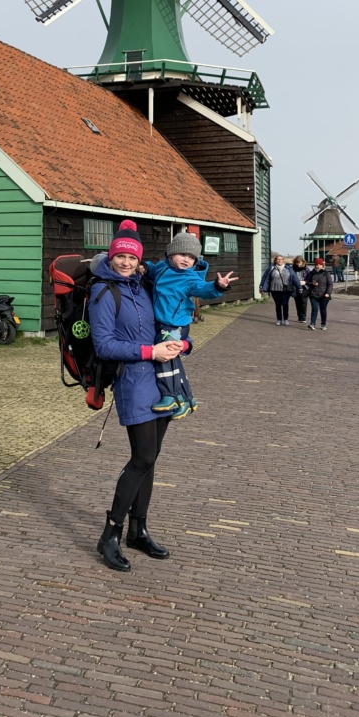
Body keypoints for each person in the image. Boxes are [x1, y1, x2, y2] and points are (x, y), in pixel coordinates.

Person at [86, 220, 184, 572]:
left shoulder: (142, 284)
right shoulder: (103, 292)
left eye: (131, 256)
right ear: (111, 257)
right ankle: (110, 533)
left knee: (151, 457)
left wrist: (178, 343)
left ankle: (138, 529)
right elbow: (105, 345)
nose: (126, 262)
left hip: (161, 380)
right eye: (120, 256)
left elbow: (168, 315)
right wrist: (150, 352)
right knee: (141, 457)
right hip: (132, 382)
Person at [143, 231, 236, 418]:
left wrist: (218, 286)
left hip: (175, 325)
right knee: (174, 358)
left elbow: (203, 289)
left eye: (192, 257)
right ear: (171, 254)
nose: (187, 260)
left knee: (163, 355)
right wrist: (143, 266)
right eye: (183, 254)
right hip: (163, 322)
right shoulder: (162, 268)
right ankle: (186, 399)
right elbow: (152, 270)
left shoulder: (190, 278)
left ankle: (169, 394)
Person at [259, 253, 301, 325]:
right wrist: (261, 286)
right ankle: (279, 319)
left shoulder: (288, 269)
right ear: (275, 261)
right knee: (278, 304)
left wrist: (299, 287)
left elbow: (295, 278)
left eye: (281, 259)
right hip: (274, 289)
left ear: (283, 260)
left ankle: (286, 319)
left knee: (285, 303)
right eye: (278, 259)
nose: (279, 260)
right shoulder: (271, 269)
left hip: (286, 290)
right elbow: (265, 277)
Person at [306, 257, 332, 330]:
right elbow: (308, 282)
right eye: (317, 264)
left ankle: (323, 324)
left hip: (324, 295)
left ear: (322, 265)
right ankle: (312, 324)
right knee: (314, 309)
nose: (318, 266)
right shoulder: (311, 273)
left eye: (320, 265)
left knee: (323, 310)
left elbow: (330, 284)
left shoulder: (326, 273)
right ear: (315, 265)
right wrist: (312, 283)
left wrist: (328, 293)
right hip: (313, 294)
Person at [291, 255, 310, 322]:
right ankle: (299, 316)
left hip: (304, 287)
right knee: (297, 302)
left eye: (299, 262)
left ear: (302, 262)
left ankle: (304, 317)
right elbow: (290, 278)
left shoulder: (306, 269)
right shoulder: (292, 269)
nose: (298, 264)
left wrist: (305, 282)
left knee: (304, 301)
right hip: (296, 287)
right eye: (297, 262)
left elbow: (309, 278)